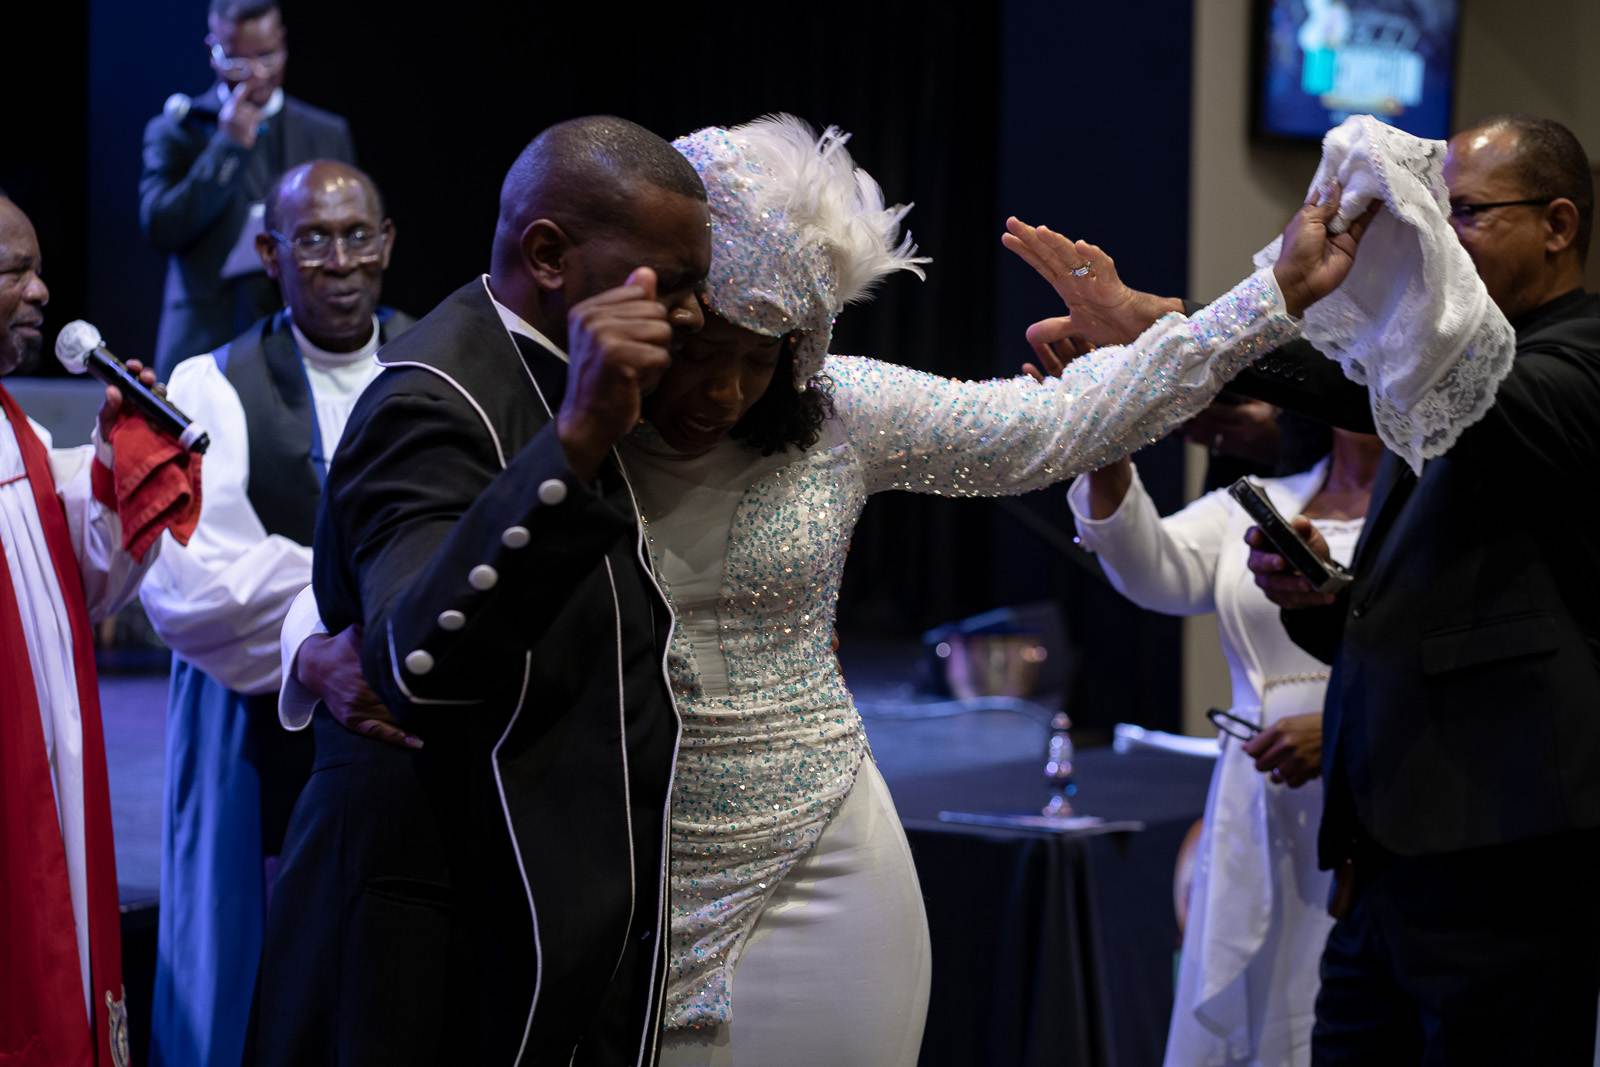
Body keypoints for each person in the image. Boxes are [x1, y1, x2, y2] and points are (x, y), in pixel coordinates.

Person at [286, 114, 1378, 1064]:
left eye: (763, 356)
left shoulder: (840, 418)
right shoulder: (566, 422)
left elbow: (1054, 422)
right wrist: (310, 643)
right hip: (617, 889)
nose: (722, 387)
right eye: (700, 338)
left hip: (821, 855)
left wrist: (1267, 296)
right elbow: (401, 546)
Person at [1023, 114, 1600, 1064]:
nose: (1438, 238)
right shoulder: (1447, 375)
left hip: (1505, 858)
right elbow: (1436, 601)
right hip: (1385, 862)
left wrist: (1177, 328)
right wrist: (1327, 603)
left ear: (1558, 223)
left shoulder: (1565, 364)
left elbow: (1373, 391)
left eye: (1466, 213)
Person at [254, 116, 712, 1067]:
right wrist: (577, 438)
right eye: (670, 283)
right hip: (423, 921)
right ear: (547, 254)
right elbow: (417, 659)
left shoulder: (570, 370)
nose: (696, 314)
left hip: (538, 902)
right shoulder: (426, 398)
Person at [138, 160, 410, 1067]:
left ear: (388, 243)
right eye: (313, 240)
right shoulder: (209, 384)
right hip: (262, 725)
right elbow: (189, 579)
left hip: (418, 722)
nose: (339, 262)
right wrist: (322, 640)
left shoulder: (436, 365)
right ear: (269, 253)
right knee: (261, 984)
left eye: (357, 236)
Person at [1060, 425, 1381, 1066]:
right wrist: (1106, 446)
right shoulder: (1260, 497)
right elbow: (1152, 569)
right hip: (1255, 803)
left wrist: (1344, 726)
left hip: (1373, 805)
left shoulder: (1431, 501)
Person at [1, 192, 194, 1066]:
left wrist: (127, 456)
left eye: (40, 268)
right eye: (16, 271)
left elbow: (81, 589)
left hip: (44, 777)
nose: (43, 291)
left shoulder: (19, 435)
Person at [140, 0, 355, 377]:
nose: (256, 75)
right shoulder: (177, 128)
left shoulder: (325, 133)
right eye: (238, 62)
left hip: (300, 331)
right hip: (205, 333)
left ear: (284, 43)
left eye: (268, 57)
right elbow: (162, 227)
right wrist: (227, 148)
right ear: (213, 50)